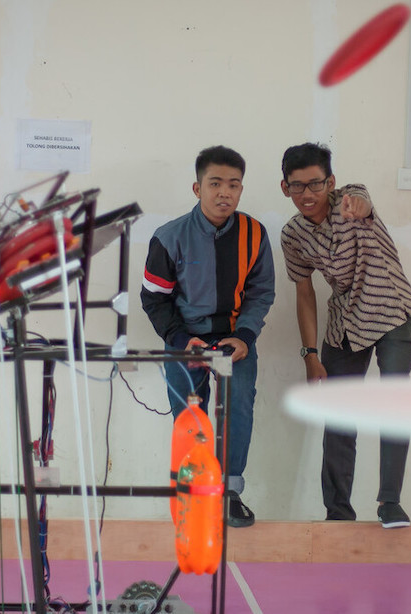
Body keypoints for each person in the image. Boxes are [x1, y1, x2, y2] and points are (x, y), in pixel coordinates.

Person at [278, 142, 411, 529]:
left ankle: (390, 502)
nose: (307, 195)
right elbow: (304, 294)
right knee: (338, 418)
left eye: (315, 184)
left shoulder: (350, 198)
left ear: (331, 182)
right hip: (345, 322)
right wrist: (309, 353)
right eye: (297, 187)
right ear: (284, 188)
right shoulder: (292, 235)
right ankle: (338, 513)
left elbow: (363, 202)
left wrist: (360, 206)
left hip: (391, 310)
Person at [141, 145, 276, 528]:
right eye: (215, 183)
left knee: (238, 410)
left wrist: (245, 334)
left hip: (235, 341)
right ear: (197, 188)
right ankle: (195, 496)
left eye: (234, 185)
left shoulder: (254, 233)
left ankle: (230, 493)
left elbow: (261, 291)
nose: (224, 193)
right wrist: (182, 339)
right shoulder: (169, 237)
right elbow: (154, 298)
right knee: (190, 418)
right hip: (185, 341)